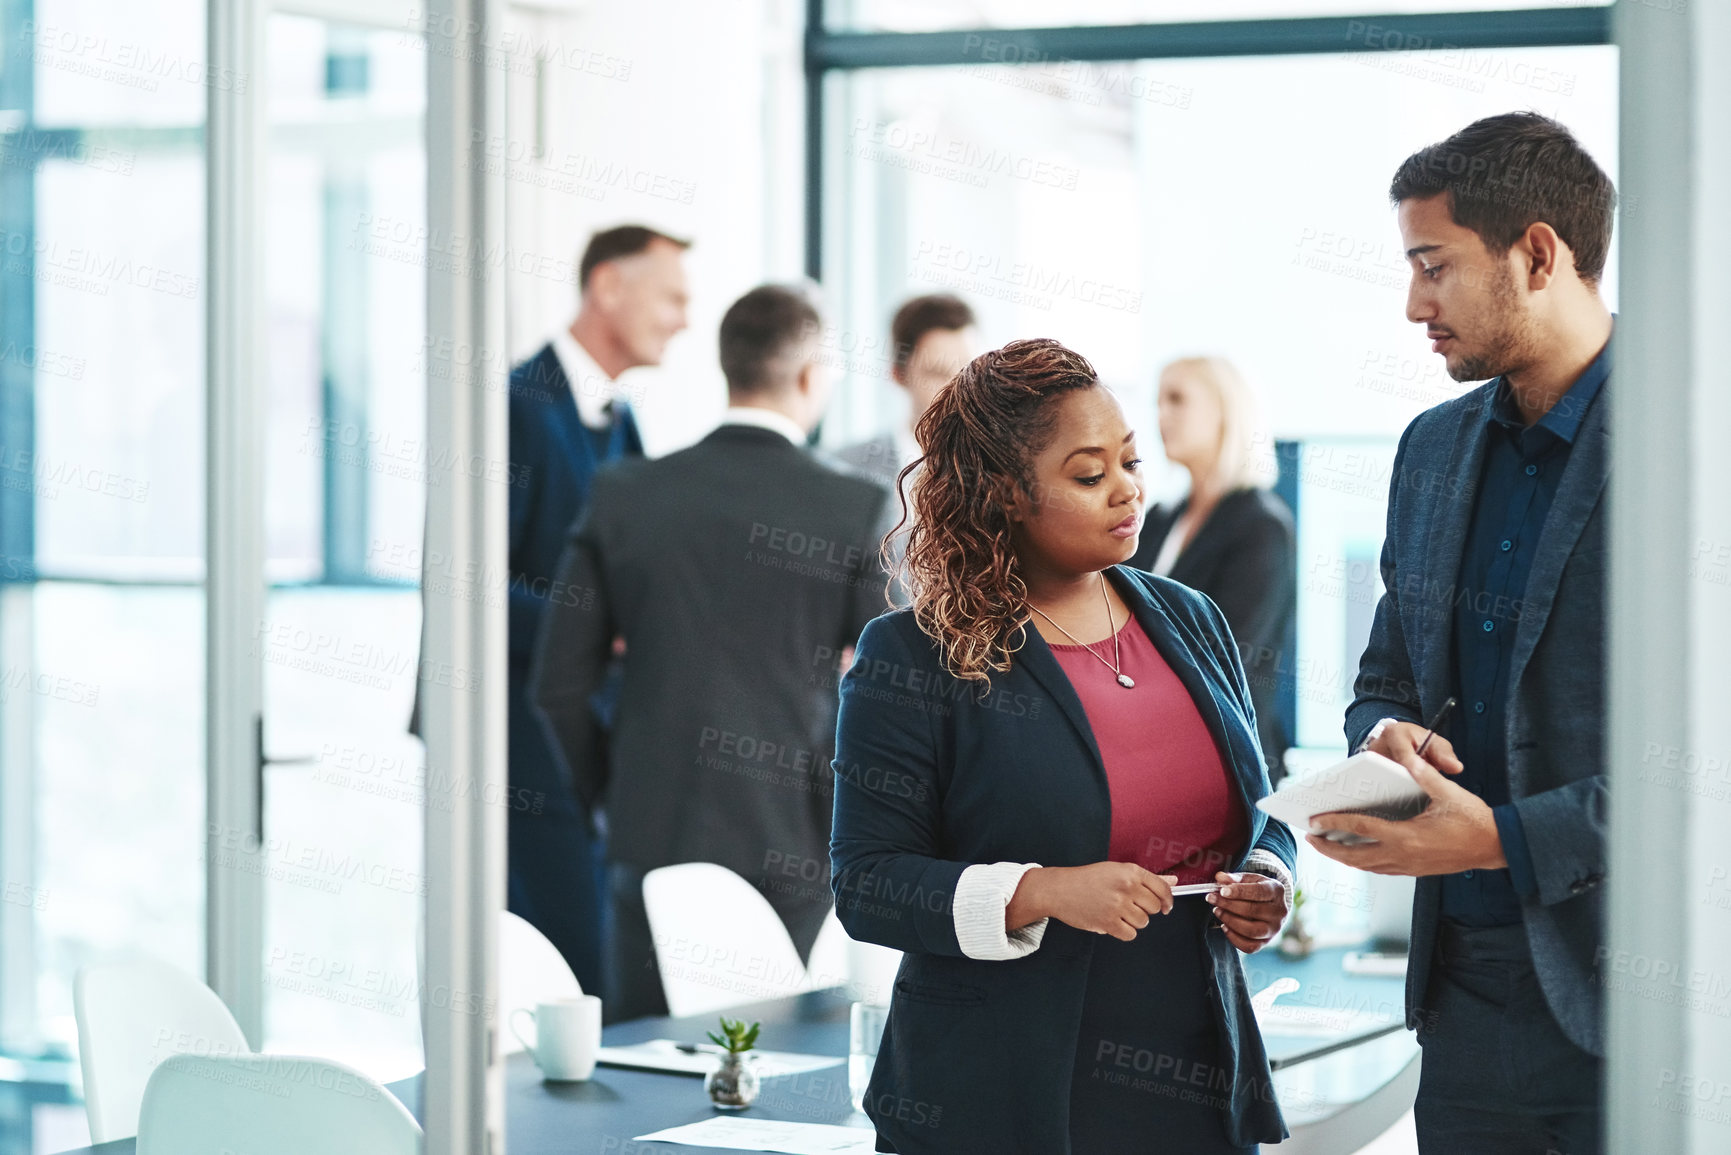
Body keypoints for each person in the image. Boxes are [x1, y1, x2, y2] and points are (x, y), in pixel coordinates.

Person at [830, 338, 1296, 1154]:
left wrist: (1267, 873)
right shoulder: (912, 653)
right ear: (1003, 494)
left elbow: (1259, 809)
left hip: (1195, 1081)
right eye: (1089, 475)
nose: (1128, 491)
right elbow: (868, 884)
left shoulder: (1190, 617)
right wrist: (1039, 891)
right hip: (996, 1092)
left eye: (1129, 461)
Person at [1312, 112, 1614, 1155]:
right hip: (1460, 1002)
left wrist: (1499, 838)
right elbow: (1383, 674)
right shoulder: (1433, 450)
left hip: (1642, 1003)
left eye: (1433, 267)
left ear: (1538, 254)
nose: (1412, 305)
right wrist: (1385, 737)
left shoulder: (1694, 442)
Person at [530, 283, 894, 1022]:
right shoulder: (851, 504)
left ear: (728, 366)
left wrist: (614, 790)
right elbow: (896, 686)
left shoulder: (626, 493)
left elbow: (557, 683)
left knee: (639, 1074)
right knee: (785, 1078)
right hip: (795, 833)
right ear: (805, 375)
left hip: (651, 826)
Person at [502, 223, 689, 995]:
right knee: (550, 964)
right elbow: (466, 584)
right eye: (671, 296)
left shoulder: (623, 420)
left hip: (589, 731)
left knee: (599, 962)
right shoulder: (516, 405)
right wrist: (595, 632)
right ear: (608, 286)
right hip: (514, 736)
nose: (683, 318)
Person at [1129, 356, 1296, 783]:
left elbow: (1229, 656)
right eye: (1158, 401)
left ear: (1224, 412)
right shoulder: (1162, 518)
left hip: (1230, 758)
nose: (1160, 415)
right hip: (1153, 746)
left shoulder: (1262, 525)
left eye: (1177, 399)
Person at [836, 293, 978, 487]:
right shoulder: (844, 469)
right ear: (898, 374)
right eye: (937, 373)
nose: (957, 388)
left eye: (969, 371)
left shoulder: (1004, 470)